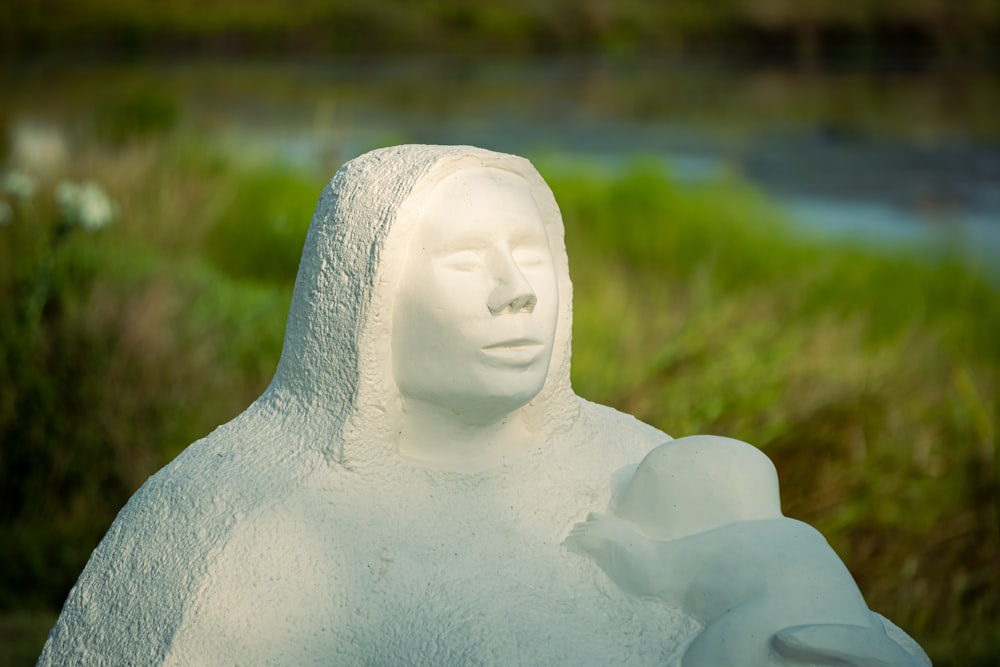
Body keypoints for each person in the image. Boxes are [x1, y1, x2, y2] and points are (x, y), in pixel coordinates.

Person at [39, 145, 707, 664]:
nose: (517, 292)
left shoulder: (649, 466)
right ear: (371, 294)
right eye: (468, 263)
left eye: (530, 256)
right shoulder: (222, 522)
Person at [565, 435, 930, 667]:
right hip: (856, 632)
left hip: (762, 633)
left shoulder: (718, 543)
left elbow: (652, 572)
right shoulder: (804, 534)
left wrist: (610, 536)